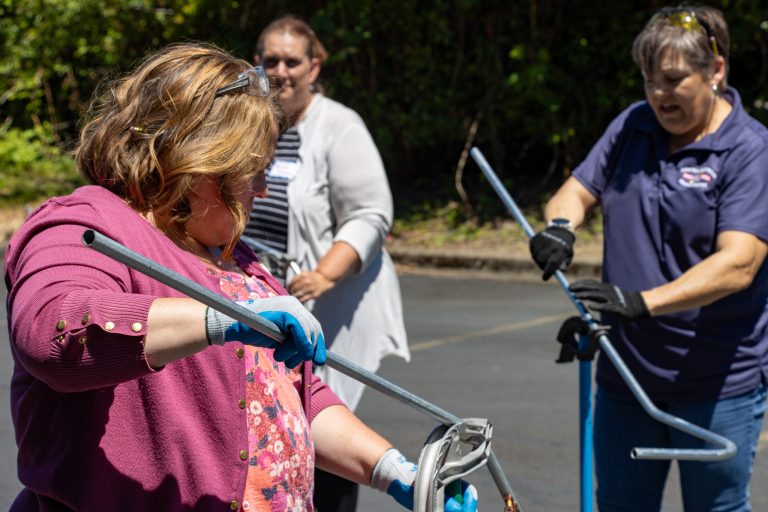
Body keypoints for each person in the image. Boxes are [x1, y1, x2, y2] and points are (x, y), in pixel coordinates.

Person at [4, 42, 477, 512]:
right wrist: (222, 319)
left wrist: (394, 472)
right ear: (195, 161)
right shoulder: (85, 222)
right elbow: (53, 333)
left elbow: (288, 392)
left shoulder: (234, 256)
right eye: (252, 172)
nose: (263, 189)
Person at [529, 6, 768, 511]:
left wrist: (641, 302)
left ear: (716, 70)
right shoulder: (633, 126)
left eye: (674, 79)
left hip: (715, 384)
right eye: (649, 79)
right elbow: (575, 192)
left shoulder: (750, 150)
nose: (659, 94)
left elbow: (739, 263)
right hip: (627, 375)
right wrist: (559, 228)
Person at [243, 15, 409, 511]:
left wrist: (324, 274)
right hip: (266, 302)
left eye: (292, 61)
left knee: (322, 430)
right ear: (256, 63)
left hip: (332, 305)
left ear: (314, 68)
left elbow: (370, 214)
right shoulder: (246, 122)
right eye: (271, 60)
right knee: (271, 422)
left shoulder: (340, 126)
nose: (281, 71)